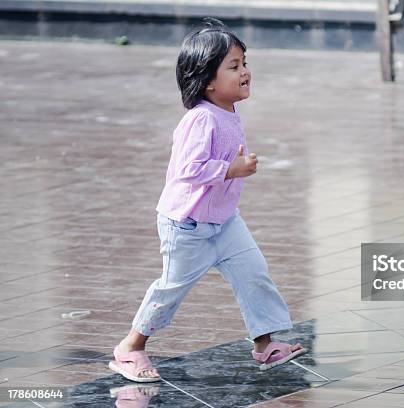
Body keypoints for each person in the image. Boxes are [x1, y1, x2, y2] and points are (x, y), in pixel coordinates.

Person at [109, 18, 307, 382]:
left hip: (225, 220)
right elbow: (188, 170)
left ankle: (265, 345)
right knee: (171, 289)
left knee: (253, 274)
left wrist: (232, 172)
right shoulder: (201, 119)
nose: (245, 72)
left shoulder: (226, 110)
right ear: (206, 80)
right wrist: (232, 169)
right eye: (234, 67)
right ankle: (131, 347)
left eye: (244, 63)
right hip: (187, 225)